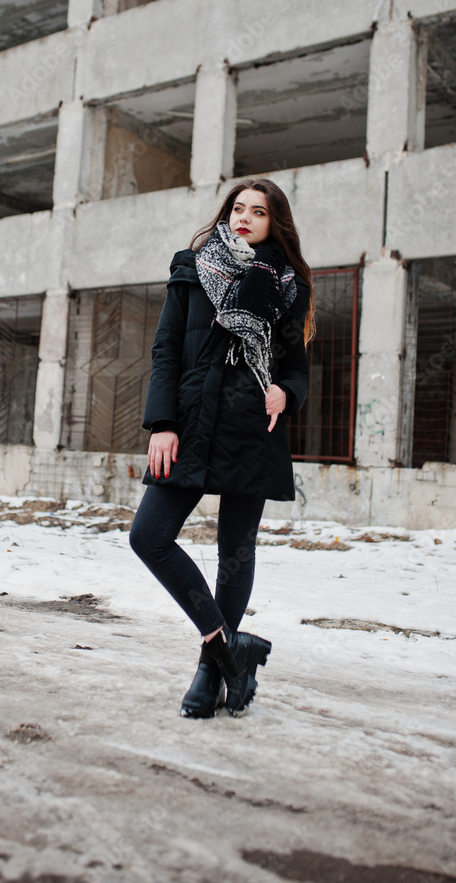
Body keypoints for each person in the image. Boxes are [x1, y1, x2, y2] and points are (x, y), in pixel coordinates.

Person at [129, 177, 314, 718]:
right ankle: (227, 647)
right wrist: (162, 423)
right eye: (238, 208)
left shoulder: (288, 284)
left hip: (251, 426)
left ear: (274, 223)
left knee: (235, 551)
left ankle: (210, 675)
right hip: (189, 422)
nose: (244, 218)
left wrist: (287, 391)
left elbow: (295, 367)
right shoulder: (192, 269)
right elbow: (166, 349)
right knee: (149, 537)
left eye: (258, 211)